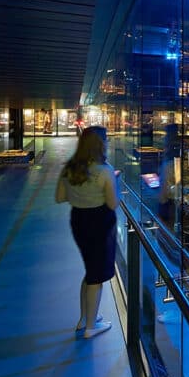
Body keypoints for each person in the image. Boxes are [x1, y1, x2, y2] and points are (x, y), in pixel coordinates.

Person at [55, 126, 120, 339]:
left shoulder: (71, 167)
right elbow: (112, 203)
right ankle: (91, 327)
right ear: (101, 144)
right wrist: (113, 182)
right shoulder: (104, 170)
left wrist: (82, 194)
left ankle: (84, 319)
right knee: (97, 276)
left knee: (89, 269)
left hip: (78, 221)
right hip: (100, 223)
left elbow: (60, 197)